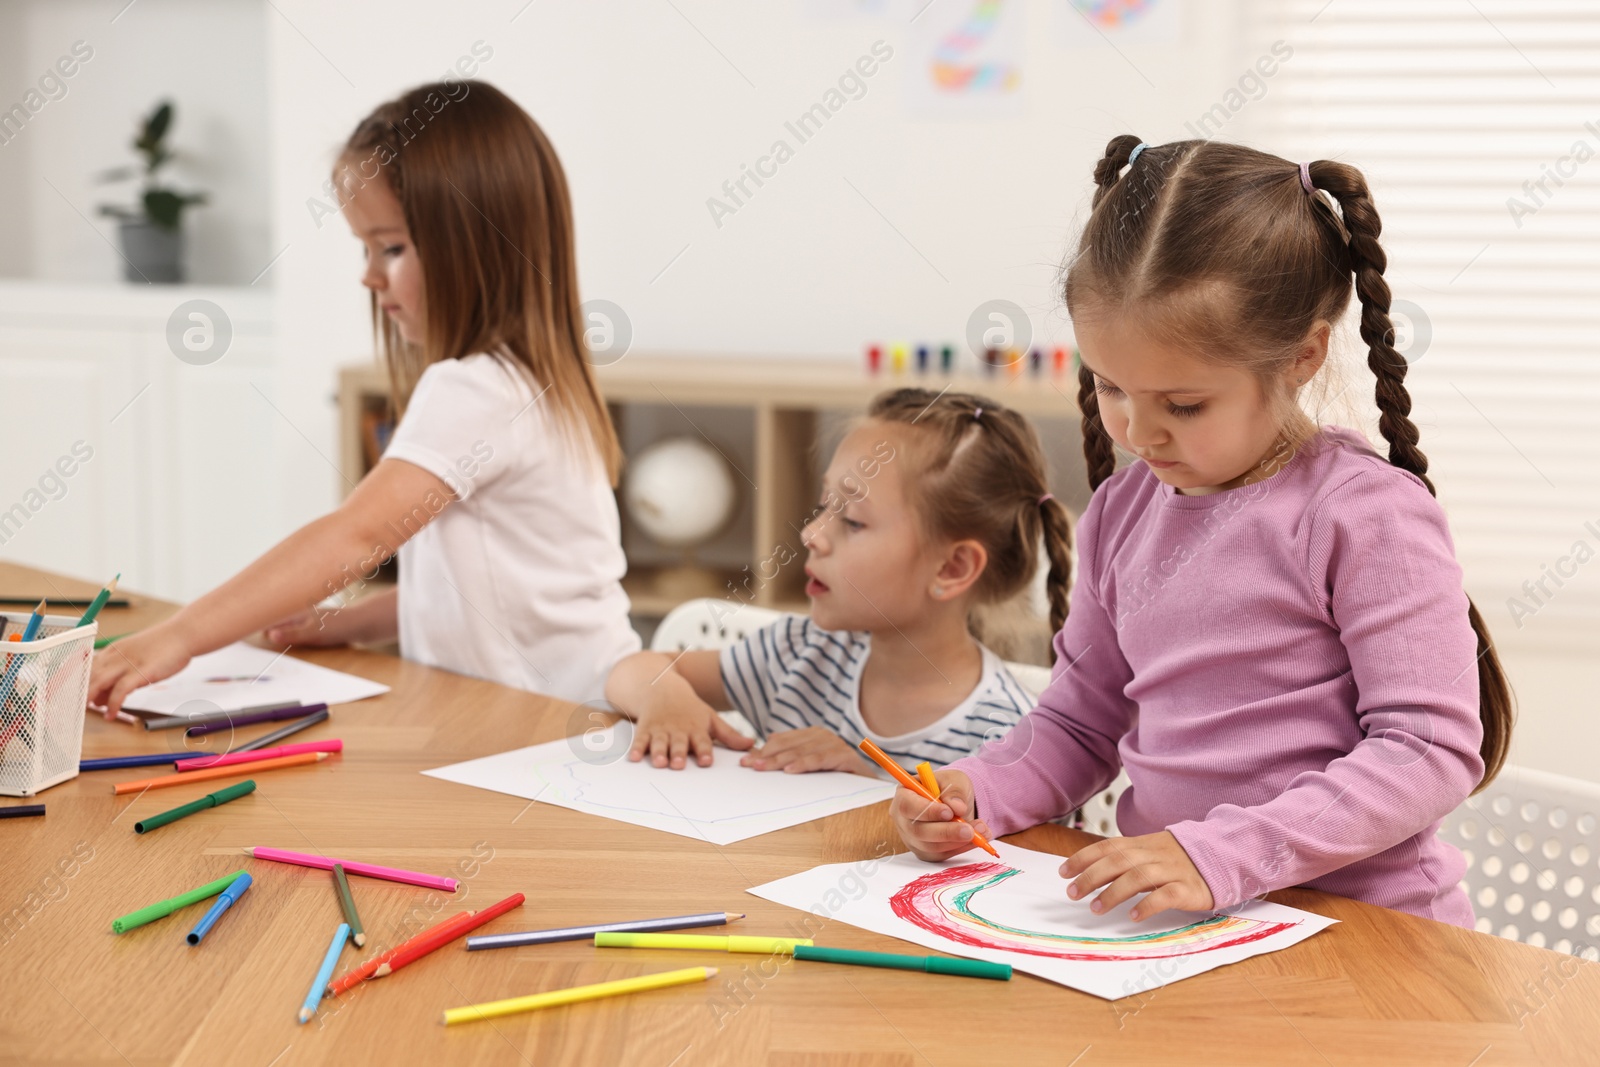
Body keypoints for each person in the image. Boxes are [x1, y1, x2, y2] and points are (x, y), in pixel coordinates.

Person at [894, 137, 1514, 929]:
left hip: (1366, 938)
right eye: (1110, 386)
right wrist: (975, 791)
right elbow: (1080, 721)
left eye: (1182, 405)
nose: (1139, 432)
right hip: (1188, 927)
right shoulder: (1125, 510)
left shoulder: (1364, 515)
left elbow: (1426, 751)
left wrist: (1217, 854)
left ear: (1301, 356)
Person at [88, 81, 638, 716]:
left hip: (549, 728)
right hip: (567, 713)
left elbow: (355, 537)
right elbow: (498, 592)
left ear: (478, 241)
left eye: (392, 247)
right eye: (365, 248)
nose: (369, 274)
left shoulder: (476, 388)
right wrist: (349, 624)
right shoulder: (536, 377)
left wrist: (178, 636)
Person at [605, 388, 1067, 775]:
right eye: (825, 505)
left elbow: (1000, 873)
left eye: (851, 520)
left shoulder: (1009, 739)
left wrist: (869, 782)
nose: (812, 534)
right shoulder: (802, 652)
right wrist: (665, 696)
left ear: (952, 568)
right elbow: (632, 669)